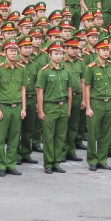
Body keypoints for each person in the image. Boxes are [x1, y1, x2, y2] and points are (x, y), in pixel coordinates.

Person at [36, 41, 72, 174]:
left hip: (62, 106)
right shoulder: (44, 72)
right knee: (49, 137)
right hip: (50, 106)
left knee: (60, 136)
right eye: (56, 53)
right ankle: (48, 163)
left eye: (61, 53)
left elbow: (69, 91)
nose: (59, 56)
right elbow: (40, 91)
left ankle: (57, 162)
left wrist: (68, 109)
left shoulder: (66, 71)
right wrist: (40, 109)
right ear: (50, 55)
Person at [0, 39, 25, 177]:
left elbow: (22, 88)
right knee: (0, 139)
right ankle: (0, 166)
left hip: (16, 107)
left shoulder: (21, 69)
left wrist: (23, 108)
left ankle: (11, 164)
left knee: (14, 137)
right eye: (11, 51)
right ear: (5, 52)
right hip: (4, 107)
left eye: (15, 51)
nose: (14, 54)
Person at [85, 40, 111, 170]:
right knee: (93, 133)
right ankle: (92, 160)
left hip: (108, 102)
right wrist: (88, 107)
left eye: (106, 50)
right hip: (96, 102)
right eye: (103, 50)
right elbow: (87, 87)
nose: (106, 52)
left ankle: (102, 159)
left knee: (106, 133)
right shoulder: (91, 68)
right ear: (97, 51)